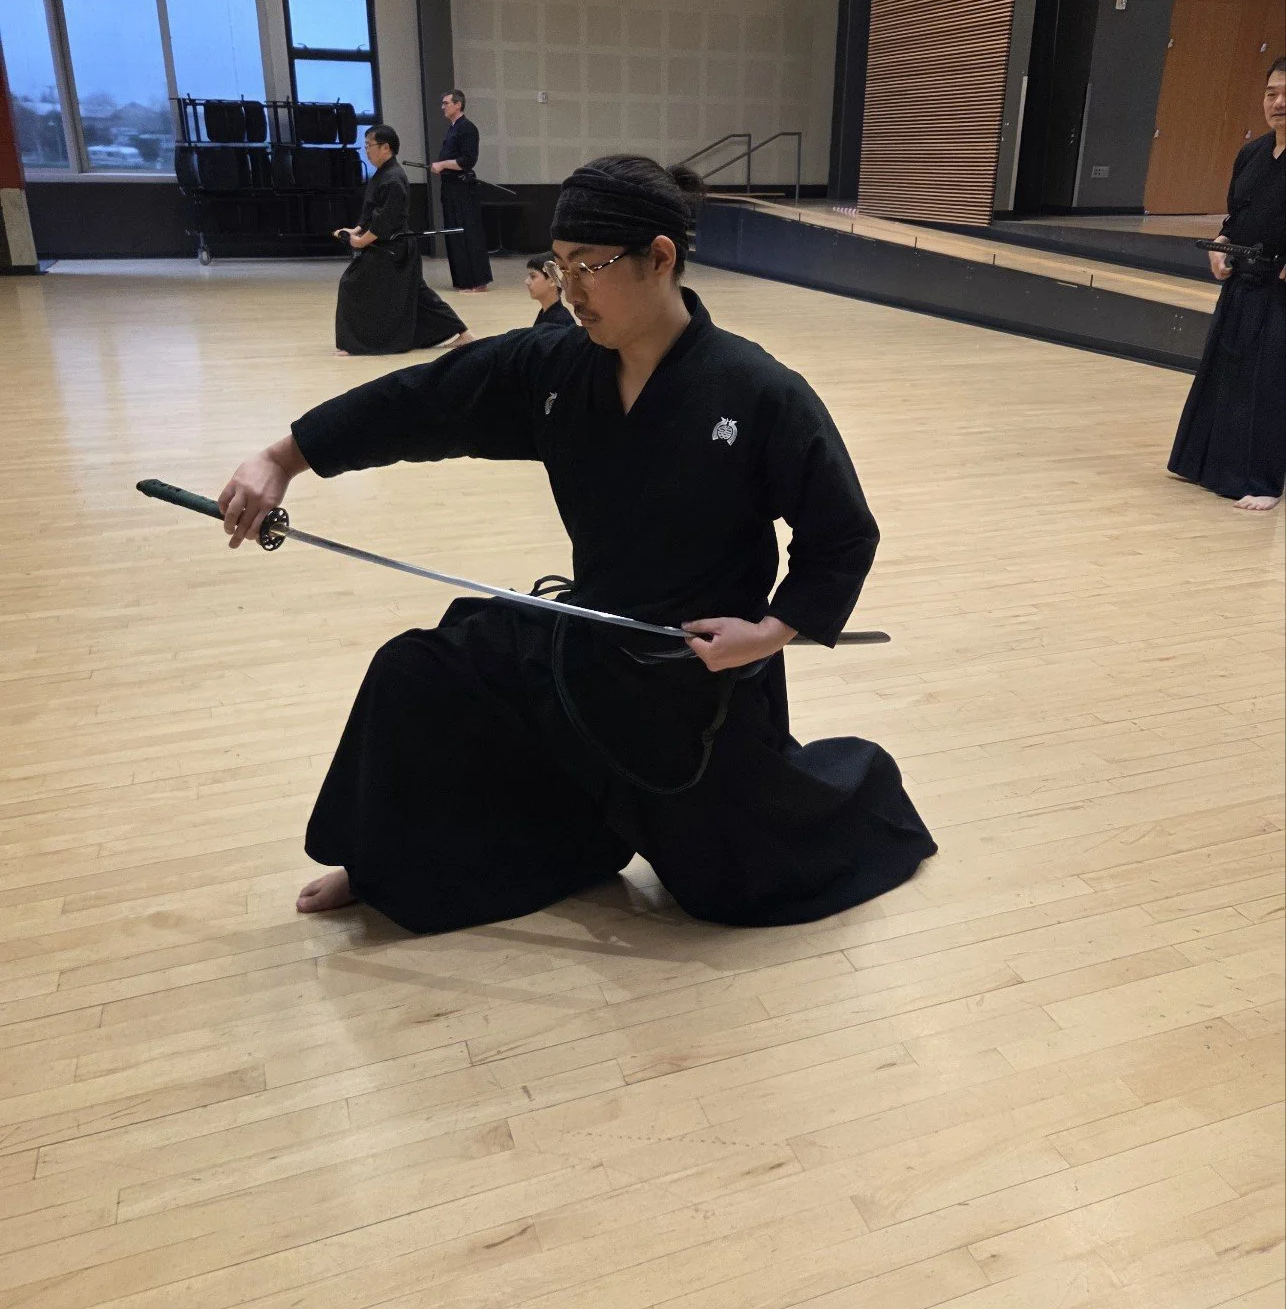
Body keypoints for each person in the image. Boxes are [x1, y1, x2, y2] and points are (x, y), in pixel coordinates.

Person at [219, 154, 935, 934]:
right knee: (415, 673)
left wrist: (768, 632)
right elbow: (424, 401)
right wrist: (283, 457)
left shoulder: (757, 391)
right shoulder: (556, 365)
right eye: (560, 269)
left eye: (588, 268)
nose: (571, 293)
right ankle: (386, 860)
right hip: (586, 634)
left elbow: (841, 531)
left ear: (660, 258)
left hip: (690, 675)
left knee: (732, 891)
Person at [1168, 57, 1286, 511]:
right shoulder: (1252, 154)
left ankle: (1263, 481)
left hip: (1281, 291)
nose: (1278, 103)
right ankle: (1204, 464)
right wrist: (1221, 245)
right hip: (1243, 283)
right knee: (1225, 374)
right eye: (1271, 93)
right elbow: (1235, 219)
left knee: (1271, 383)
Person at [333, 125, 472, 357]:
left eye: (370, 145)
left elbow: (384, 220)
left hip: (392, 250)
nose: (366, 150)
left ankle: (356, 342)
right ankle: (464, 334)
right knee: (418, 294)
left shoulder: (393, 178)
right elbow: (371, 211)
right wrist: (356, 229)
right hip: (389, 247)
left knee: (352, 284)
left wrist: (361, 241)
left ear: (385, 147)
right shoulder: (383, 174)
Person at [432, 89, 493, 293]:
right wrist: (442, 166)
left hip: (463, 189)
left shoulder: (467, 128)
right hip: (450, 188)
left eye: (446, 103)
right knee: (454, 233)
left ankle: (478, 281)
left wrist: (443, 165)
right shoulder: (452, 129)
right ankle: (463, 280)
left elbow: (467, 160)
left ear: (458, 105)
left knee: (468, 232)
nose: (443, 107)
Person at [525, 251, 575, 327]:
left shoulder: (560, 321)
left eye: (533, 276)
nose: (526, 282)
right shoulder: (546, 314)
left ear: (552, 281)